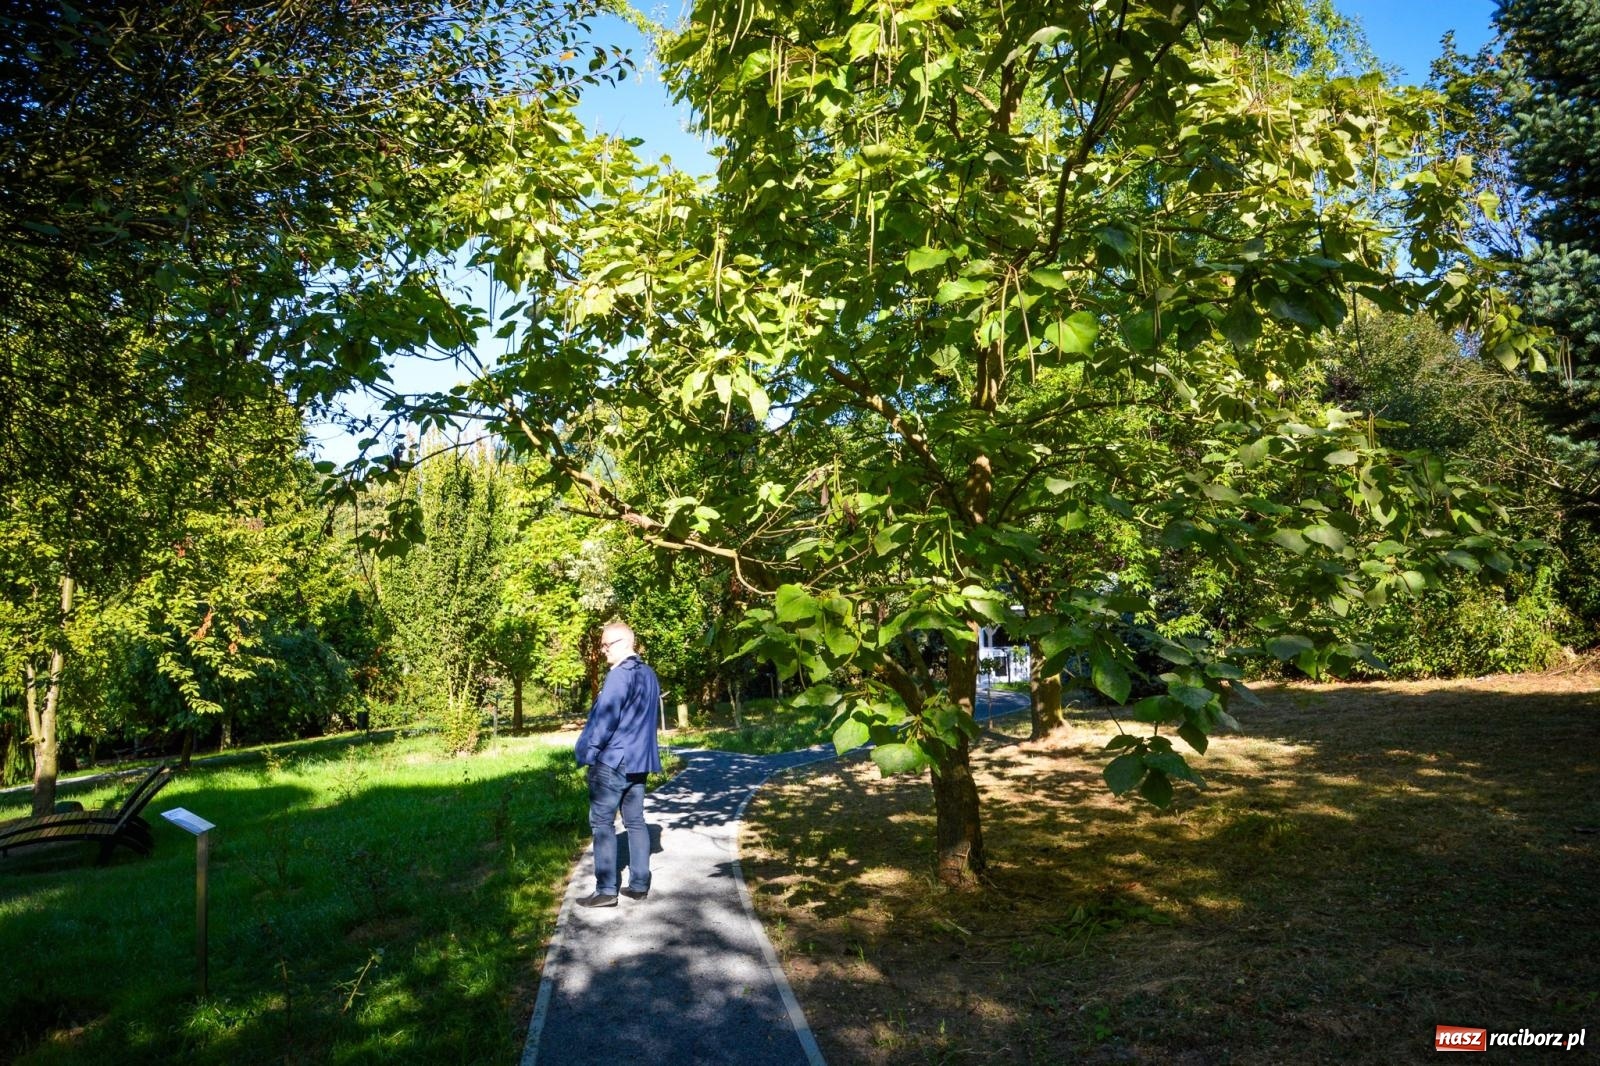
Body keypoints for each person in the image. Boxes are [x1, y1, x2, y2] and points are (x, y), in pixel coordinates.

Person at [573, 621, 661, 908]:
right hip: (639, 761)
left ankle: (606, 890)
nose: (602, 651)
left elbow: (604, 721)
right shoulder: (648, 674)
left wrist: (589, 753)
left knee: (602, 823)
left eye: (606, 645)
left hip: (612, 761)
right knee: (635, 822)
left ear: (623, 642)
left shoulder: (619, 676)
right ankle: (638, 885)